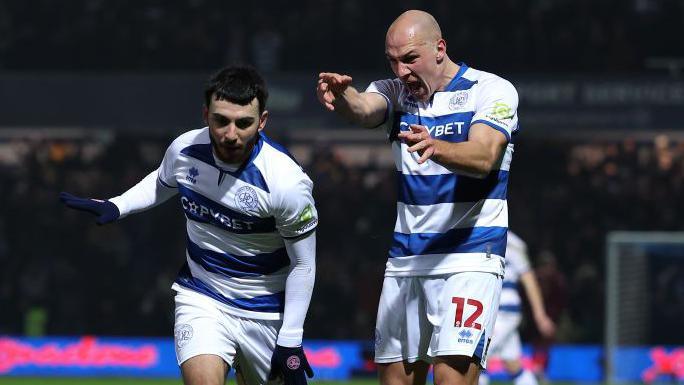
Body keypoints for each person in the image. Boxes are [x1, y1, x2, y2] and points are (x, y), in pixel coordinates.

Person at [60, 66, 318, 385]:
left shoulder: (287, 184)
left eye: (244, 123)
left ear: (262, 121)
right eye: (221, 120)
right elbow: (162, 181)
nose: (230, 133)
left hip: (266, 311)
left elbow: (304, 265)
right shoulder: (184, 150)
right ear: (205, 114)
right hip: (203, 296)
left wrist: (290, 339)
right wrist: (118, 204)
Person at [316, 9, 519, 385]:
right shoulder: (395, 93)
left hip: (469, 257)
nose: (401, 71)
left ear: (440, 49)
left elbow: (485, 157)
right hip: (406, 260)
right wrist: (344, 98)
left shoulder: (491, 90)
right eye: (393, 61)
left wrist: (436, 146)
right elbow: (364, 108)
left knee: (451, 379)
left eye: (410, 58)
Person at [478, 232, 556, 385]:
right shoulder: (483, 232)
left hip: (501, 311)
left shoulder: (511, 242)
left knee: (477, 359)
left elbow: (528, 278)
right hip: (495, 310)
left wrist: (540, 316)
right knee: (513, 364)